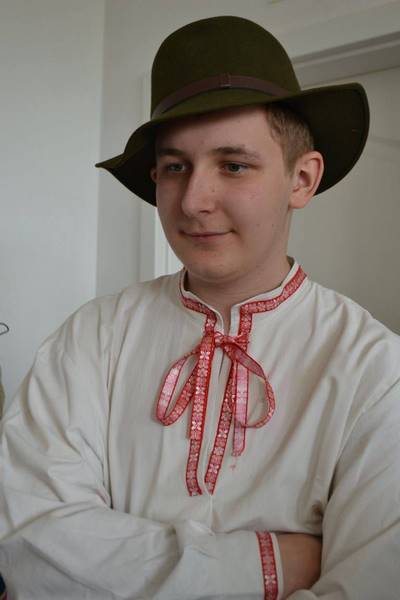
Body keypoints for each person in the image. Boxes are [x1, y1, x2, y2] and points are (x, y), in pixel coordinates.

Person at [0, 15, 399, 600]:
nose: (192, 200)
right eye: (175, 167)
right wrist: (272, 563)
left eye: (233, 165)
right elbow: (31, 545)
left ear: (302, 179)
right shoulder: (90, 338)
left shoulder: (377, 372)